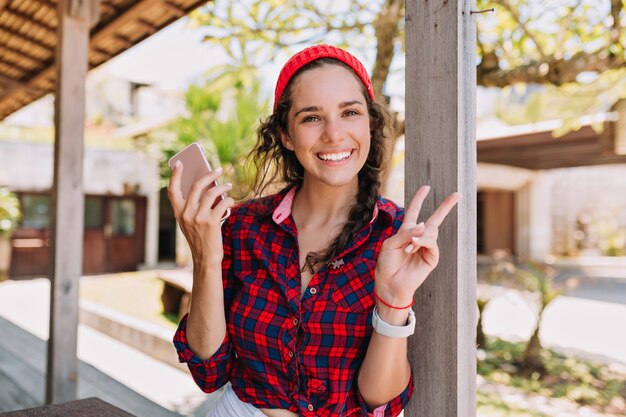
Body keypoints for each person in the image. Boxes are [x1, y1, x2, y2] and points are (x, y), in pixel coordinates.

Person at [169, 44, 461, 417]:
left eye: (350, 112)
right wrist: (206, 257)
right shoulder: (244, 228)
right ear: (287, 135)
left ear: (369, 123)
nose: (334, 134)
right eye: (311, 118)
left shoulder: (399, 241)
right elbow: (209, 370)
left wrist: (393, 300)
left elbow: (377, 402)